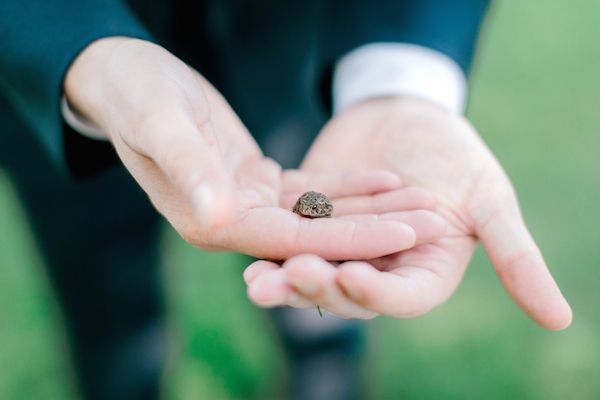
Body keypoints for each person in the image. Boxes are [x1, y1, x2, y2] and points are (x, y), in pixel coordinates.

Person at [0, 1, 571, 400]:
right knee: (101, 301)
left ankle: (327, 380)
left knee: (320, 291)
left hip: (296, 43)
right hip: (51, 73)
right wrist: (81, 51)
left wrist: (400, 83)